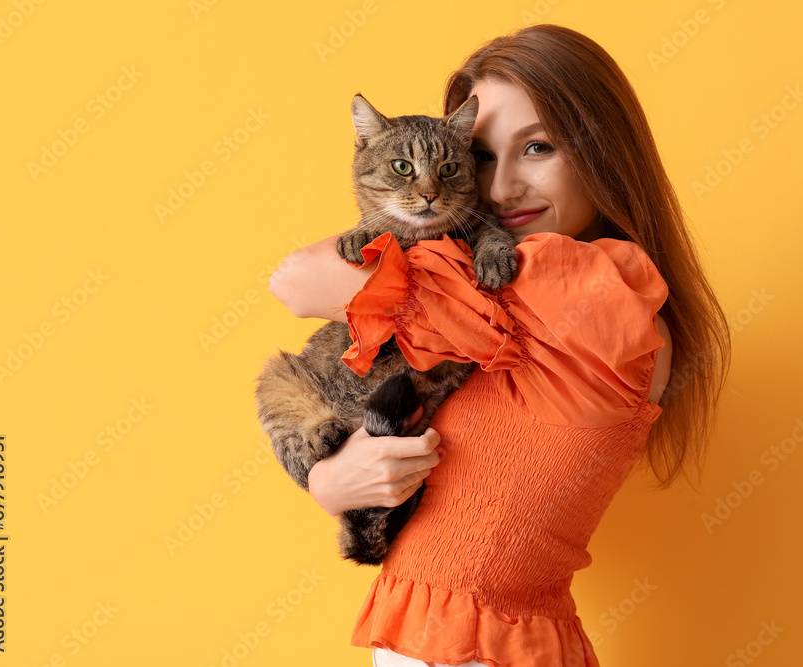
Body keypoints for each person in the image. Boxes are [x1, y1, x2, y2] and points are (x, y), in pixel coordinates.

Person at [268, 23, 730, 667]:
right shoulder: (491, 293)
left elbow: (296, 280)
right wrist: (330, 480)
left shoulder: (604, 293)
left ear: (604, 156)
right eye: (482, 156)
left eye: (538, 148)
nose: (504, 187)